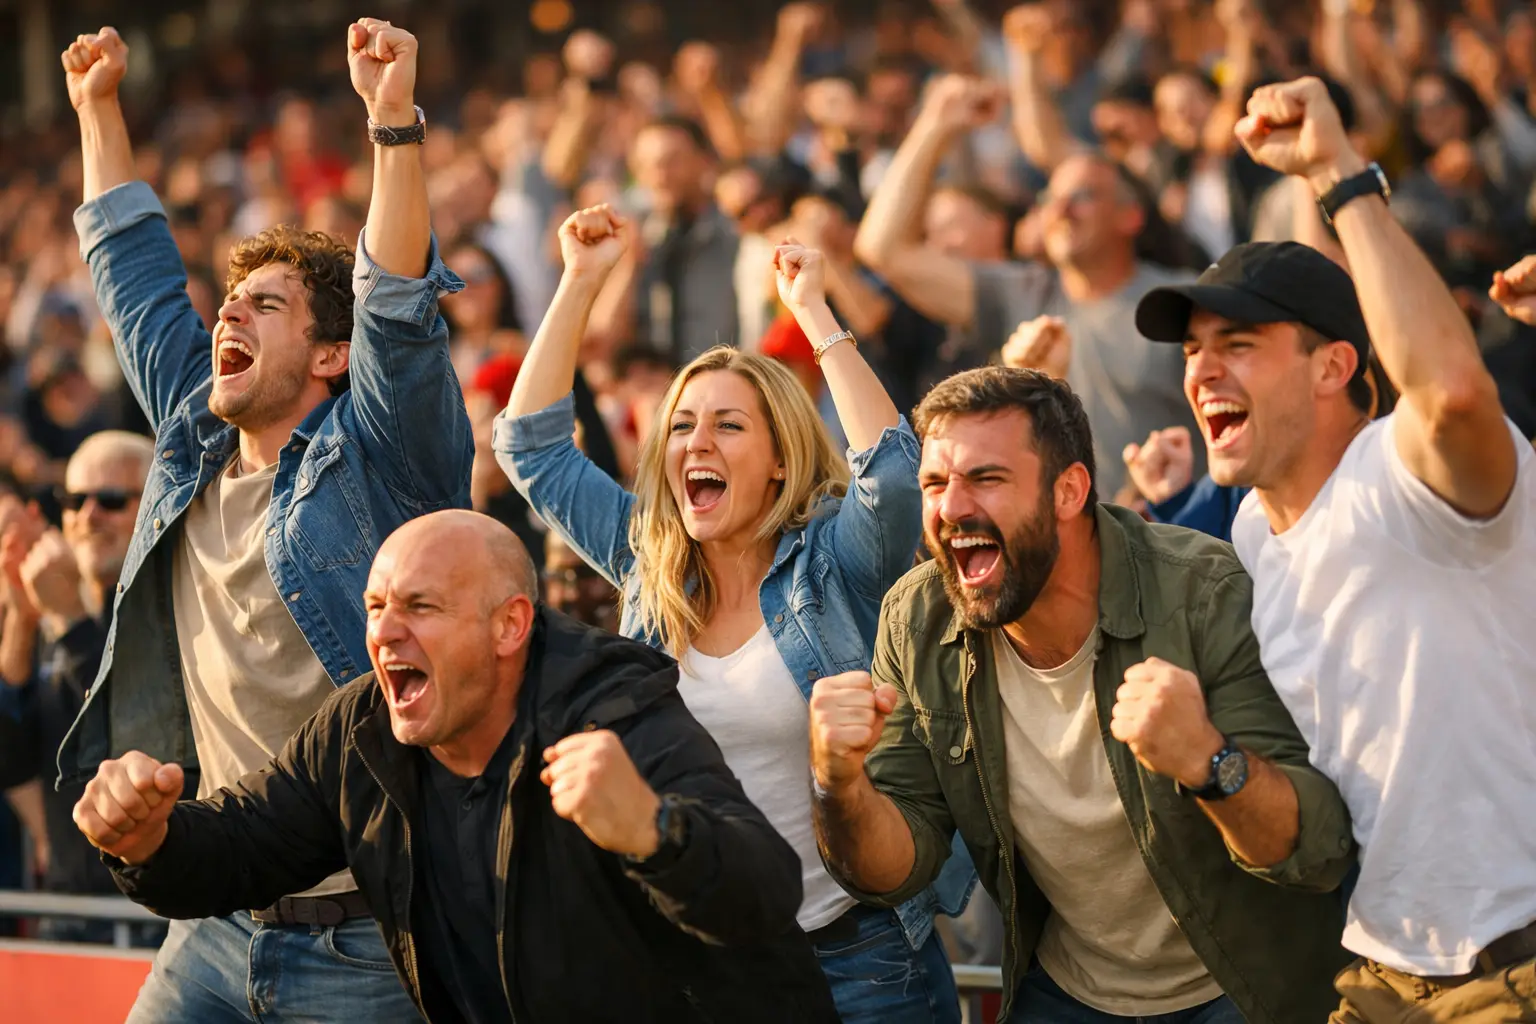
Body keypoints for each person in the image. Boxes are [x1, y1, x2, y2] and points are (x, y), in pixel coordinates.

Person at [55, 21, 471, 1021]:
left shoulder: (381, 457)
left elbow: (400, 310)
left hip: (370, 933)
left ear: (332, 357)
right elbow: (139, 279)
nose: (227, 318)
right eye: (229, 301)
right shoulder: (192, 439)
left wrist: (392, 129)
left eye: (267, 305)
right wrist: (97, 107)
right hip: (213, 920)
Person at [73, 510, 839, 1023]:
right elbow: (244, 844)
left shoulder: (609, 708)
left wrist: (651, 831)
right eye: (375, 608)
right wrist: (148, 842)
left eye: (420, 607)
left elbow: (763, 888)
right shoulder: (359, 730)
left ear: (509, 625)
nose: (384, 634)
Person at [496, 206, 968, 1022]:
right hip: (702, 955)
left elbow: (894, 477)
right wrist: (579, 281)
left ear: (781, 454)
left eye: (727, 425)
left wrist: (814, 309)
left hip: (856, 953)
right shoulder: (649, 566)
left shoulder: (833, 561)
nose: (695, 442)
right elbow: (530, 448)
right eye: (680, 426)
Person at [1134, 76, 1536, 1023]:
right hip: (1381, 969)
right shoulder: (1247, 531)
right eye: (1192, 349)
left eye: (1238, 341)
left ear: (1334, 366)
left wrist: (1340, 178)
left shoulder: (1406, 476)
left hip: (1513, 965)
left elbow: (1456, 396)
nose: (1201, 368)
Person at [808, 366, 1356, 1024]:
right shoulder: (917, 618)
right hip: (1068, 991)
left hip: (1240, 988)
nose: (950, 509)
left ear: (1069, 490)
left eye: (985, 478)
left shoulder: (1203, 594)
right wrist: (838, 785)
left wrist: (1209, 762)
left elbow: (1314, 850)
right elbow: (897, 865)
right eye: (933, 483)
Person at [854, 73, 1202, 496]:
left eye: (1083, 196)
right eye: (1050, 198)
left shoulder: (1182, 300)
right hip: (1063, 551)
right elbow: (883, 249)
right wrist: (936, 123)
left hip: (1171, 543)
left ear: (1130, 216)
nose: (1060, 210)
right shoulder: (1021, 293)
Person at [0, 432, 164, 945]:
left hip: (152, 922)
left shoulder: (179, 612)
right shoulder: (53, 625)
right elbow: (10, 761)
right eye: (72, 500)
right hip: (65, 919)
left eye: (111, 500)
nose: (87, 515)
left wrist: (69, 620)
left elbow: (133, 729)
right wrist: (23, 626)